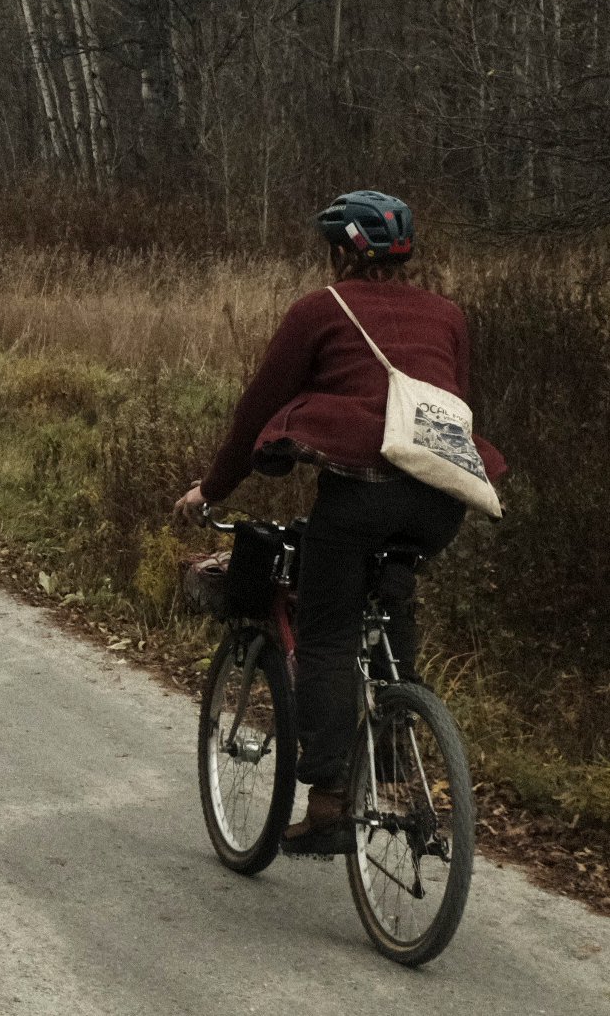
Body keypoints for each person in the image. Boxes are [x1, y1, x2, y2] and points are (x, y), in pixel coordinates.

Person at [174, 190, 504, 852]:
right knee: (390, 612)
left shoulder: (320, 310)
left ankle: (327, 804)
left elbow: (258, 407)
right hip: (441, 502)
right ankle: (396, 747)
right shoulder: (447, 314)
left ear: (339, 253)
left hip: (358, 498)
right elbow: (450, 407)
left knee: (326, 634)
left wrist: (212, 489)